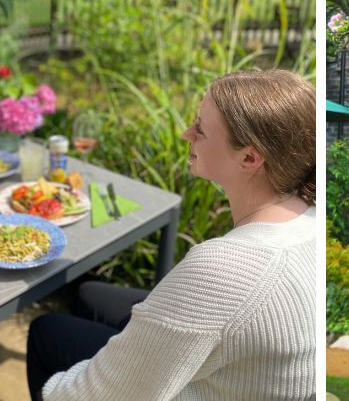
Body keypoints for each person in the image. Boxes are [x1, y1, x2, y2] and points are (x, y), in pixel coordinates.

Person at [27, 69, 317, 400]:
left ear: (250, 157)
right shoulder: (308, 217)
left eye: (201, 130)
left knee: (45, 331)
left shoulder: (227, 268)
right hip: (239, 362)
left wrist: (57, 388)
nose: (186, 133)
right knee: (88, 295)